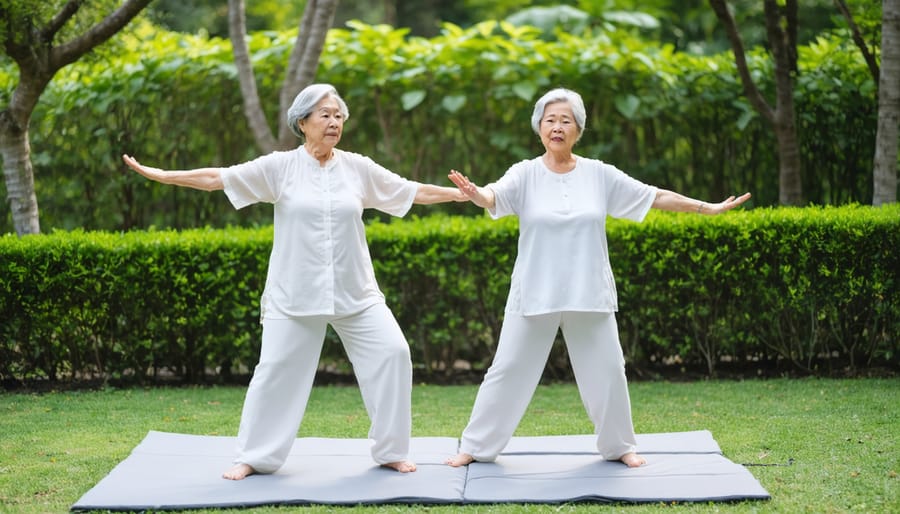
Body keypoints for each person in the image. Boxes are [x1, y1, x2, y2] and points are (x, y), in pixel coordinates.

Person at [123, 83, 466, 480]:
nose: (334, 122)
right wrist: (163, 175)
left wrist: (458, 196)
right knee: (275, 371)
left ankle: (390, 450)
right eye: (325, 115)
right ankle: (254, 457)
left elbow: (410, 191)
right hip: (294, 295)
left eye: (339, 115)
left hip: (357, 294)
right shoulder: (279, 167)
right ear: (302, 123)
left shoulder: (358, 168)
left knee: (394, 353)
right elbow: (219, 178)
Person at [445, 88, 751, 469]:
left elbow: (653, 196)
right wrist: (477, 194)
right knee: (507, 369)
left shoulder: (599, 174)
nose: (557, 127)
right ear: (538, 127)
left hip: (589, 291)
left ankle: (620, 446)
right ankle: (474, 447)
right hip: (534, 292)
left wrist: (707, 208)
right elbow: (493, 196)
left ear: (578, 129)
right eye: (550, 120)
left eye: (565, 120)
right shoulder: (524, 173)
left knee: (608, 371)